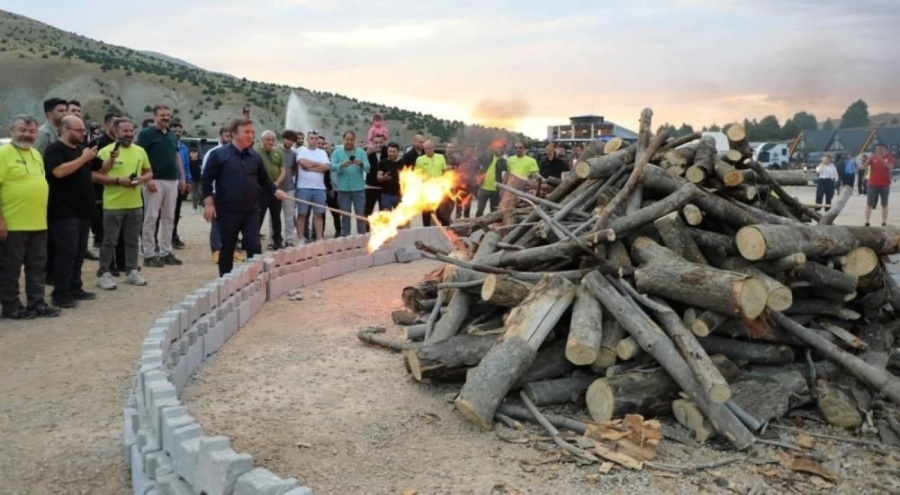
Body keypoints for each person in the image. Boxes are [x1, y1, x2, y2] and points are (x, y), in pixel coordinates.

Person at [201, 118, 287, 276]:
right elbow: (206, 181)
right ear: (234, 134)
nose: (251, 135)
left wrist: (275, 191)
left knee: (254, 246)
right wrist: (208, 204)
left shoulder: (254, 157)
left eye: (252, 132)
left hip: (251, 211)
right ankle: (225, 281)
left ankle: (255, 280)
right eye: (246, 132)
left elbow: (264, 180)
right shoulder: (218, 155)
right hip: (227, 211)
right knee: (227, 247)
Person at [0, 115, 61, 319]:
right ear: (11, 131)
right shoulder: (3, 153)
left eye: (31, 131)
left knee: (37, 266)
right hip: (13, 223)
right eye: (22, 130)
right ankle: (11, 306)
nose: (27, 135)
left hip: (38, 222)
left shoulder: (36, 154)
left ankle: (37, 302)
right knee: (11, 267)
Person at [43, 115, 98, 308]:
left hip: (83, 209)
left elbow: (97, 171)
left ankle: (75, 286)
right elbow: (58, 172)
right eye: (79, 130)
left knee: (79, 251)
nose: (83, 134)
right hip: (63, 210)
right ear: (65, 130)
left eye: (84, 130)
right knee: (66, 251)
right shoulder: (54, 149)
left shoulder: (83, 150)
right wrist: (83, 158)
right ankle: (61, 292)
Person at [96, 118, 152, 290]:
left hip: (135, 204)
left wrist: (142, 179)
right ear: (115, 132)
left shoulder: (140, 151)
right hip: (113, 205)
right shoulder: (105, 151)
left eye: (130, 131)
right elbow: (97, 175)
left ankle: (131, 271)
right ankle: (103, 273)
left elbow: (149, 172)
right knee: (109, 241)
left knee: (133, 240)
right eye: (124, 131)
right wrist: (119, 181)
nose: (128, 134)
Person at [136, 105, 187, 268]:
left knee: (169, 218)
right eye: (162, 115)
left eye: (168, 115)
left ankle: (166, 252)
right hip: (154, 180)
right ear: (155, 116)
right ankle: (149, 253)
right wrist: (147, 179)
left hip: (172, 180)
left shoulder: (172, 135)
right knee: (151, 217)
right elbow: (139, 156)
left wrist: (182, 177)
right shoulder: (146, 134)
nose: (166, 117)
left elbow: (176, 155)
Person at [330, 130, 370, 236]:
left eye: (351, 140)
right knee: (345, 216)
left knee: (360, 216)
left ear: (354, 140)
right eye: (347, 139)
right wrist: (341, 165)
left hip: (359, 190)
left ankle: (362, 239)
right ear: (343, 139)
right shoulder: (336, 152)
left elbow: (368, 168)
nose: (349, 142)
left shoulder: (361, 152)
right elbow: (332, 167)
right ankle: (345, 240)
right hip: (343, 190)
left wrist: (361, 163)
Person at [295, 130, 330, 242]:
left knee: (318, 214)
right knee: (302, 214)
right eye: (312, 138)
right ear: (307, 139)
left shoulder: (322, 153)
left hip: (319, 188)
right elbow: (303, 163)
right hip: (303, 188)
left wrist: (310, 168)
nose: (314, 141)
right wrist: (318, 164)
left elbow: (326, 167)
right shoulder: (301, 150)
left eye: (316, 138)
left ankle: (319, 238)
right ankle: (301, 238)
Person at [256, 130, 285, 250]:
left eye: (272, 140)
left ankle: (277, 240)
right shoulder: (256, 153)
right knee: (259, 216)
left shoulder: (278, 153)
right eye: (268, 139)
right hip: (261, 189)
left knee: (276, 216)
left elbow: (283, 170)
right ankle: (252, 240)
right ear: (262, 140)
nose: (270, 142)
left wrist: (277, 183)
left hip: (276, 189)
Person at [415, 140, 449, 226]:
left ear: (433, 148)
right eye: (425, 149)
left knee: (442, 213)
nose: (427, 150)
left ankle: (446, 230)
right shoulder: (419, 159)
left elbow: (445, 172)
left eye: (429, 148)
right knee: (426, 212)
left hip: (439, 189)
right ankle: (426, 229)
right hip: (426, 190)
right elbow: (417, 175)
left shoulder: (441, 157)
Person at [864, 144, 895, 226]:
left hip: (885, 184)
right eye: (877, 149)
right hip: (872, 184)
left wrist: (881, 160)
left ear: (885, 149)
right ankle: (867, 221)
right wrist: (869, 159)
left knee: (884, 204)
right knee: (869, 203)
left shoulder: (890, 158)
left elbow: (890, 167)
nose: (878, 151)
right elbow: (864, 167)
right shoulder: (873, 158)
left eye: (880, 149)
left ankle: (884, 222)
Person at [278, 130, 298, 246]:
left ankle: (289, 239)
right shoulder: (275, 151)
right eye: (288, 139)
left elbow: (294, 169)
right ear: (283, 138)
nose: (289, 142)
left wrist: (289, 177)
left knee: (290, 215)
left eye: (292, 140)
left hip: (289, 188)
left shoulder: (294, 154)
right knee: (274, 216)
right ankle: (275, 239)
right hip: (276, 188)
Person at [475, 144, 506, 217]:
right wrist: (488, 152)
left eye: (502, 148)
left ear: (504, 150)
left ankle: (493, 226)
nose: (500, 149)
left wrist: (500, 158)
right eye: (498, 147)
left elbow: (504, 168)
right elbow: (479, 159)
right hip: (483, 188)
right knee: (480, 209)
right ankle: (476, 224)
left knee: (494, 211)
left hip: (495, 190)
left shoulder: (503, 161)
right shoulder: (488, 156)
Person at [377, 142, 404, 211]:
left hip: (400, 195)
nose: (392, 153)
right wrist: (383, 178)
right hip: (386, 195)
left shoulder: (403, 163)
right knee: (386, 218)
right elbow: (378, 178)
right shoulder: (382, 163)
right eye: (390, 151)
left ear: (398, 152)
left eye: (394, 151)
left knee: (402, 219)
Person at [365, 135, 387, 216]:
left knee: (384, 212)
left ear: (384, 142)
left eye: (381, 142)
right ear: (373, 143)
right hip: (370, 186)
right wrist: (367, 154)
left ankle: (383, 228)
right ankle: (366, 229)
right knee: (367, 211)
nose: (378, 145)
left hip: (384, 187)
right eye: (376, 142)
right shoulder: (368, 153)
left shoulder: (388, 152)